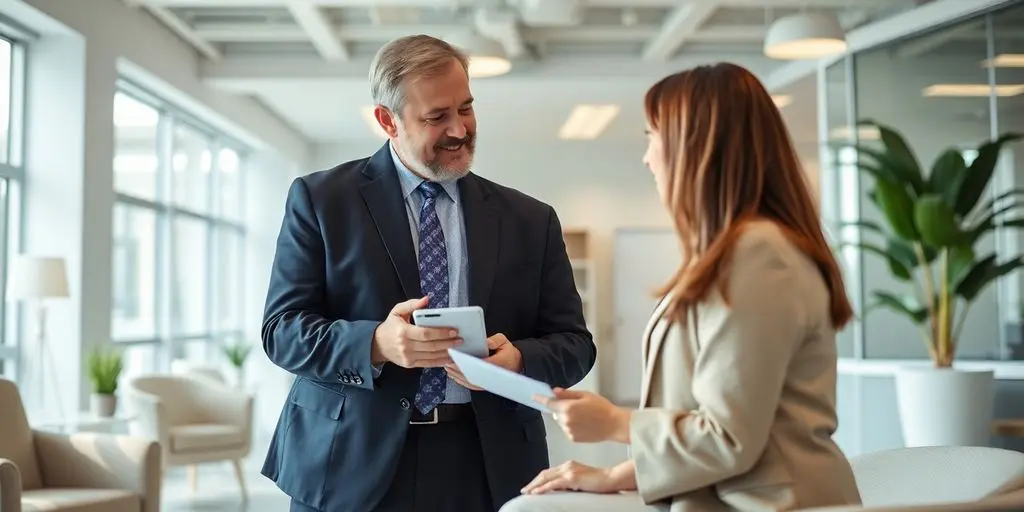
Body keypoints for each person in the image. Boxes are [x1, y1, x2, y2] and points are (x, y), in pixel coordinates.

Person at [503, 63, 864, 512]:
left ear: (697, 148)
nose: (647, 157)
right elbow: (714, 424)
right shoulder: (738, 251)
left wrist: (617, 423)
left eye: (653, 136)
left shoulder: (758, 255)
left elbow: (729, 436)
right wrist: (612, 476)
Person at [260, 34, 596, 512]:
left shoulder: (530, 219)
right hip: (348, 460)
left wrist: (518, 360)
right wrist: (377, 343)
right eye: (437, 117)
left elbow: (575, 344)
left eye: (466, 108)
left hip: (487, 463)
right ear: (387, 121)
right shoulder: (321, 201)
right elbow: (282, 332)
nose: (460, 129)